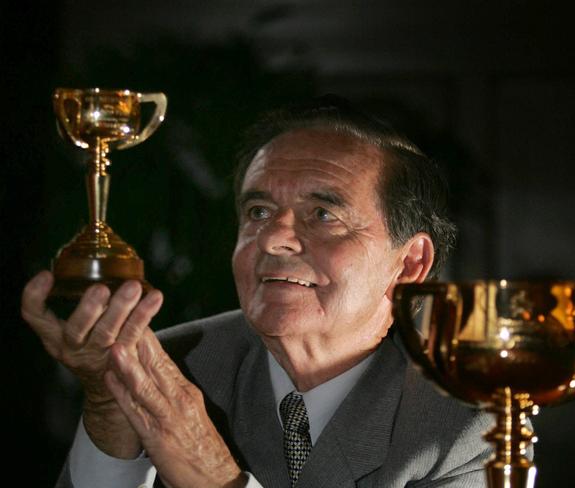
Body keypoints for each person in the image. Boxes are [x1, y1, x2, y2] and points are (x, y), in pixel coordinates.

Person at [22, 95, 494, 488]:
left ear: (410, 265)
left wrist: (215, 479)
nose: (272, 238)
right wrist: (109, 404)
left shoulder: (464, 423)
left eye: (322, 215)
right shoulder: (168, 366)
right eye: (259, 212)